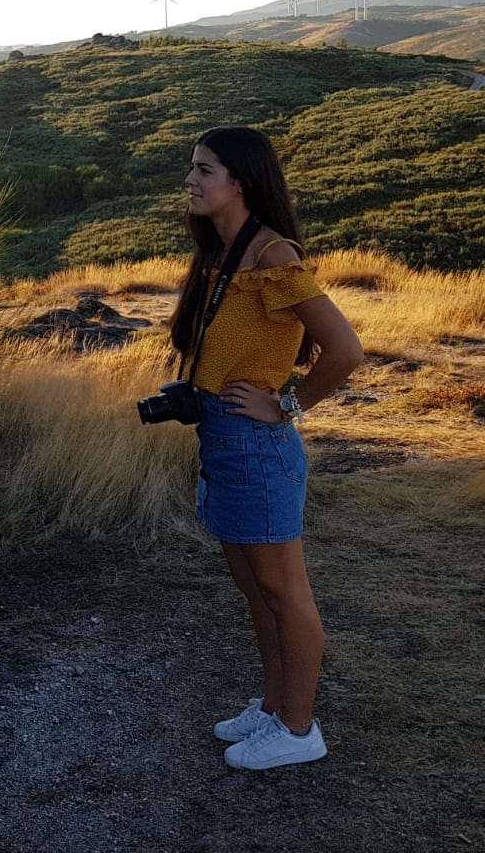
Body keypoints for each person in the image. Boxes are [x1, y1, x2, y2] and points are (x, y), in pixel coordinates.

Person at [173, 126, 362, 771]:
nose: (191, 180)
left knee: (285, 593)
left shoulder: (275, 257)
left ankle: (300, 730)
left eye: (205, 169)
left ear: (242, 181)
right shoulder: (224, 253)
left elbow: (346, 350)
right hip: (223, 441)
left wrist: (287, 406)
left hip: (256, 446)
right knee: (257, 592)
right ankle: (277, 707)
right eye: (192, 167)